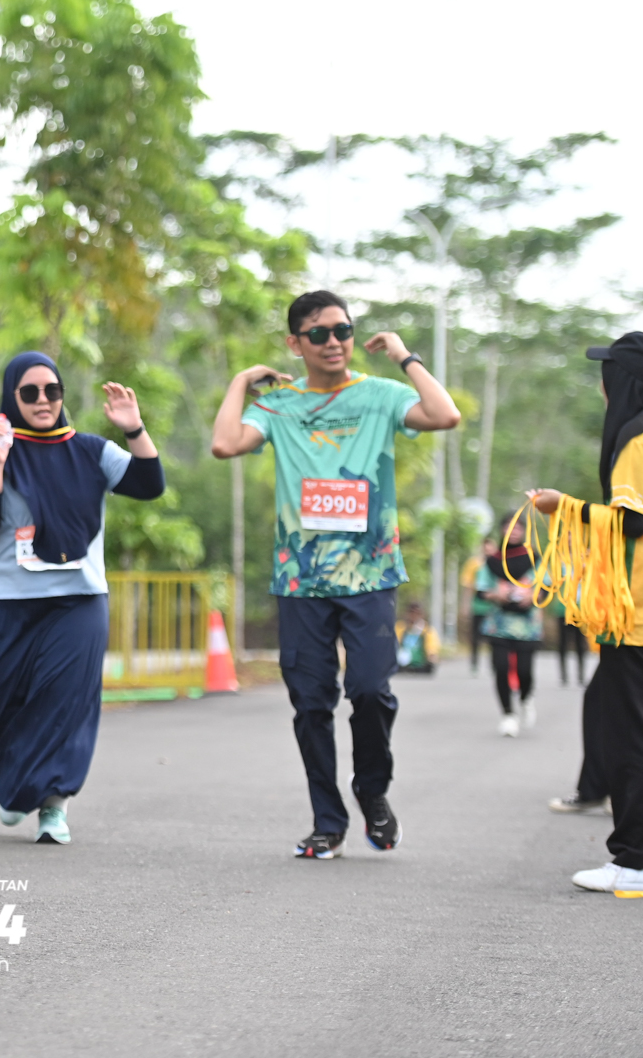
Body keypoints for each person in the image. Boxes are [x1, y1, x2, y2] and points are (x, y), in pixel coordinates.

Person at [211, 290, 460, 860]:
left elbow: (445, 415)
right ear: (295, 343)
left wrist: (404, 356)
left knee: (370, 691)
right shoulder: (280, 405)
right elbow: (225, 444)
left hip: (371, 575)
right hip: (301, 582)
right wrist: (241, 382)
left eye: (342, 330)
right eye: (319, 333)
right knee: (311, 704)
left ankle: (372, 789)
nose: (333, 342)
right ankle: (328, 821)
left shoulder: (380, 395)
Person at [0, 354, 165, 842]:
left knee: (66, 702)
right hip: (1, 600)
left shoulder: (91, 450)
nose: (43, 401)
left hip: (77, 599)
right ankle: (15, 783)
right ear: (12, 396)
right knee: (0, 703)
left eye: (52, 390)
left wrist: (134, 430)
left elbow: (149, 485)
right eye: (29, 392)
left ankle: (54, 805)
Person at [532, 332, 643, 895]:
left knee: (632, 739)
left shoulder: (639, 436)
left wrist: (563, 507)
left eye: (608, 373)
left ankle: (639, 861)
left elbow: (633, 521)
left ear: (626, 381)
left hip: (640, 617)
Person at [477, 520, 541, 737]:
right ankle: (508, 714)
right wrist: (496, 595)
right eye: (508, 527)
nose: (513, 532)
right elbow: (481, 590)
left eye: (518, 528)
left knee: (524, 670)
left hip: (526, 625)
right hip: (499, 624)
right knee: (501, 667)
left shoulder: (534, 558)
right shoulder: (492, 561)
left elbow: (547, 586)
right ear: (501, 530)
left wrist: (532, 596)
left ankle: (526, 697)